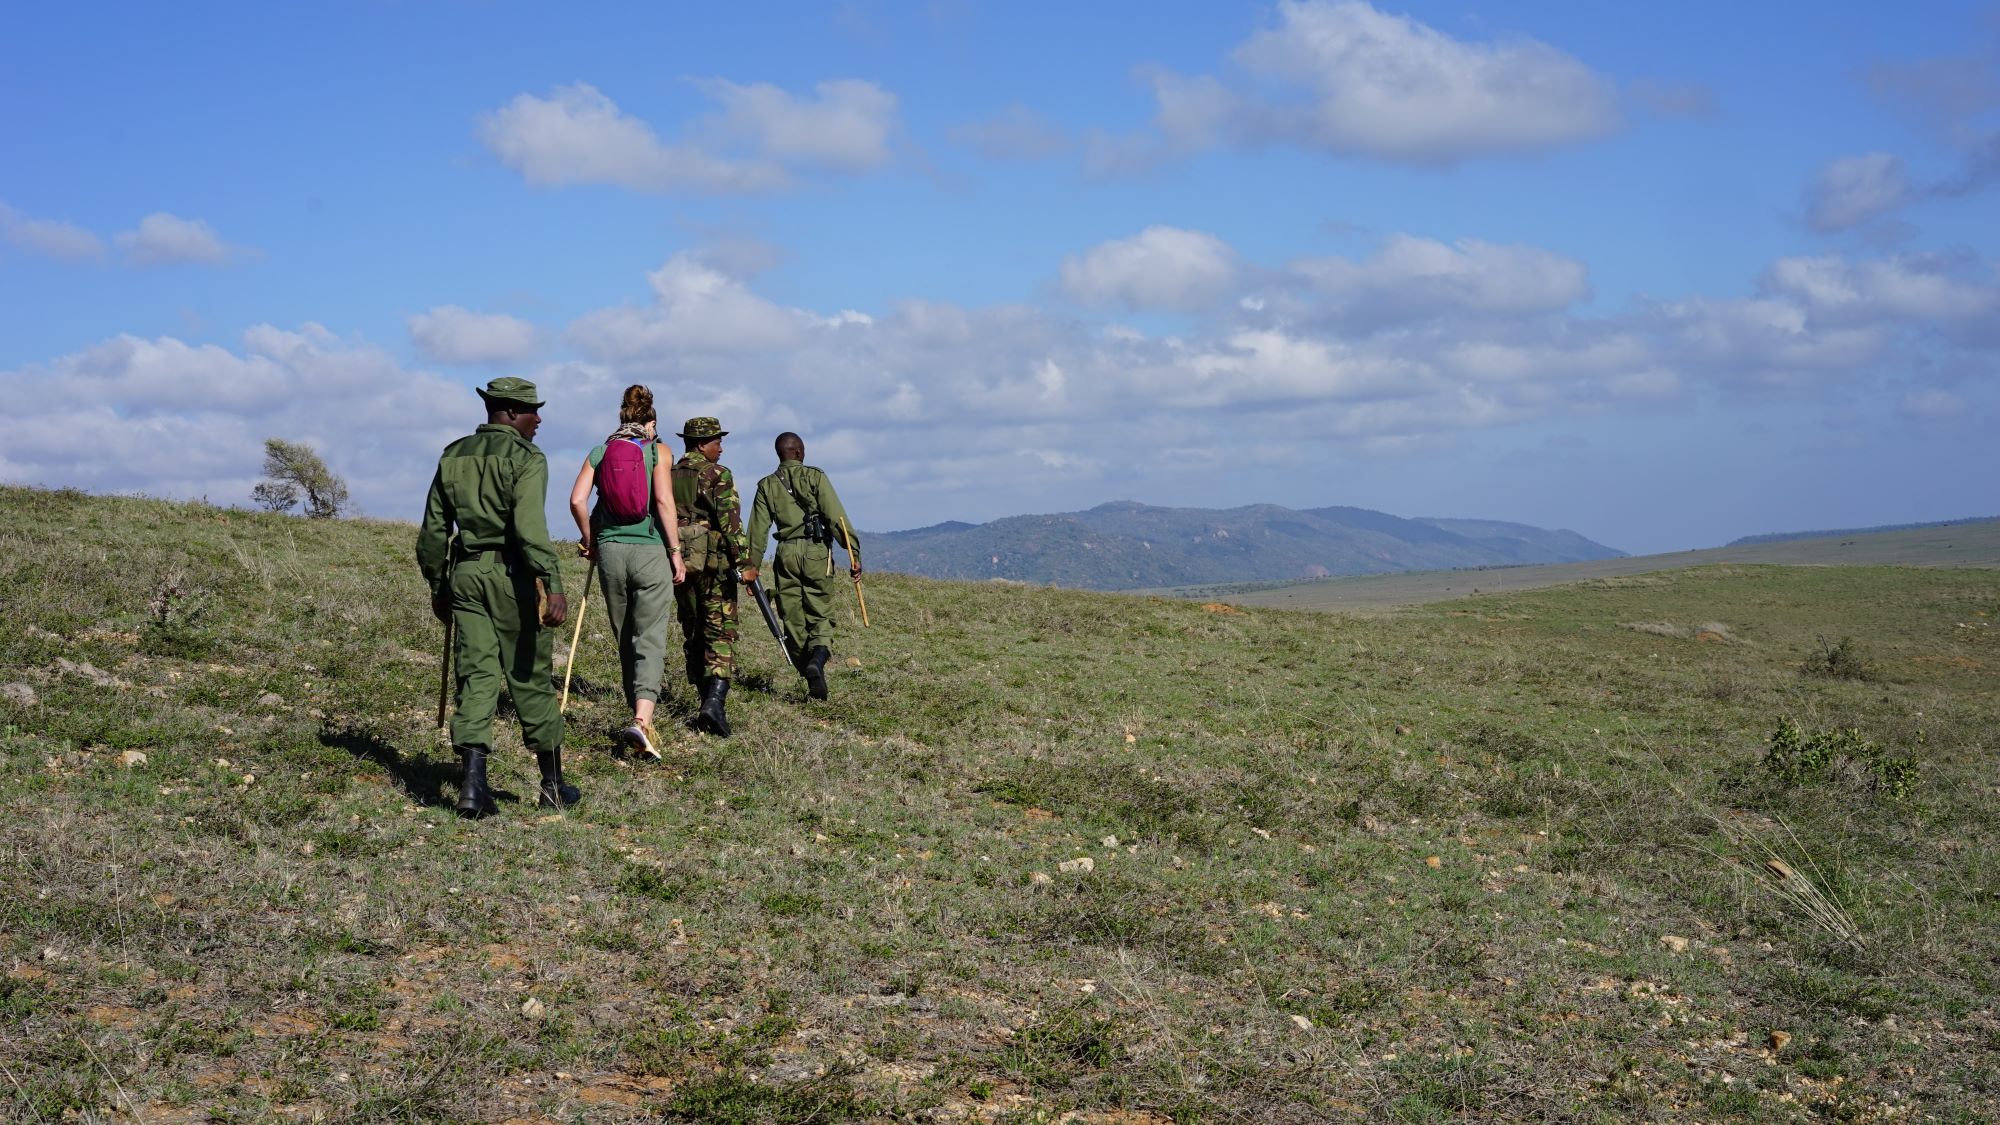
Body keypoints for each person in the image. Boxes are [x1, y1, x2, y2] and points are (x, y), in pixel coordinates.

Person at [415, 376, 578, 817]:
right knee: (528, 673)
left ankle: (472, 787)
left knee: (476, 674)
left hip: (464, 574)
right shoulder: (527, 458)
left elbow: (433, 532)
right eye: (531, 411)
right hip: (512, 576)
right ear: (508, 412)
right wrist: (554, 584)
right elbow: (529, 529)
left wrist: (438, 585)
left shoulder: (453, 454)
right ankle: (552, 784)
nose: (538, 419)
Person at [567, 384, 687, 761]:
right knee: (649, 637)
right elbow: (665, 502)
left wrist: (590, 539)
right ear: (652, 421)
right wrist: (676, 553)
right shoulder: (659, 451)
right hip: (650, 551)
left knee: (625, 637)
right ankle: (642, 719)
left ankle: (633, 713)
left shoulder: (600, 451)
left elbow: (576, 500)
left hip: (611, 554)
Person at [746, 432, 861, 700]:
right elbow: (836, 517)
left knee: (793, 615)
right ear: (798, 452)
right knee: (820, 611)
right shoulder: (815, 477)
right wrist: (853, 552)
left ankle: (809, 675)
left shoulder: (766, 485)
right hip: (816, 551)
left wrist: (750, 566)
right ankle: (817, 661)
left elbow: (757, 531)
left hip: (785, 552)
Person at [670, 417, 754, 736]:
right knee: (721, 631)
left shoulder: (666, 474)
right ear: (702, 444)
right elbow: (731, 523)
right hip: (714, 566)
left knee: (692, 632)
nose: (721, 447)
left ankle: (704, 701)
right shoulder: (717, 474)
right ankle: (714, 705)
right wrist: (745, 563)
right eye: (717, 441)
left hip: (679, 563)